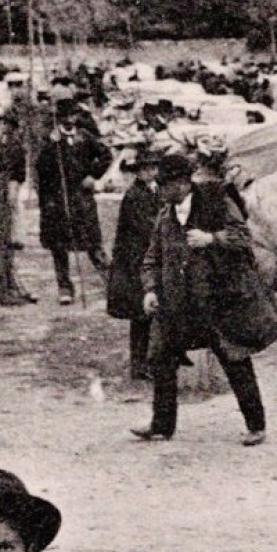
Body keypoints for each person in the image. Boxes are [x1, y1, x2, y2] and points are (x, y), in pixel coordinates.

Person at [131, 153, 269, 446]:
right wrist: (150, 290)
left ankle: (256, 425)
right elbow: (151, 259)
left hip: (217, 299)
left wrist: (212, 239)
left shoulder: (217, 203)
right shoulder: (165, 216)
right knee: (161, 358)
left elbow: (243, 237)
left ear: (181, 184)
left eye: (164, 184)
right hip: (178, 304)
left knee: (235, 360)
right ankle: (161, 425)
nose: (159, 190)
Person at [37, 99, 114, 305]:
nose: (70, 119)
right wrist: (51, 146)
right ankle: (65, 287)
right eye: (65, 115)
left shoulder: (84, 136)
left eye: (73, 115)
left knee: (92, 241)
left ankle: (112, 284)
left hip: (81, 197)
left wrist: (93, 175)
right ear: (59, 117)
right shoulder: (50, 139)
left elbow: (106, 155)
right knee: (59, 245)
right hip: (59, 198)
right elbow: (41, 169)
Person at [107, 147, 164, 380]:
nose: (150, 172)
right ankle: (139, 364)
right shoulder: (135, 196)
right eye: (145, 169)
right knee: (141, 314)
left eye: (153, 168)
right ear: (138, 172)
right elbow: (147, 227)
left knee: (151, 312)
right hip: (135, 261)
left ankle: (149, 359)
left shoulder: (154, 192)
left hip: (146, 258)